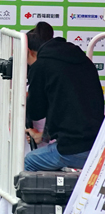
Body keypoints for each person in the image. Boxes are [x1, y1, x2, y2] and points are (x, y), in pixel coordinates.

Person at [23, 30, 104, 171]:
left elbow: (36, 112)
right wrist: (43, 136)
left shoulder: (40, 67)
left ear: (28, 51)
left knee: (29, 161)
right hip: (99, 143)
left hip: (75, 149)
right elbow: (72, 108)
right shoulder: (82, 60)